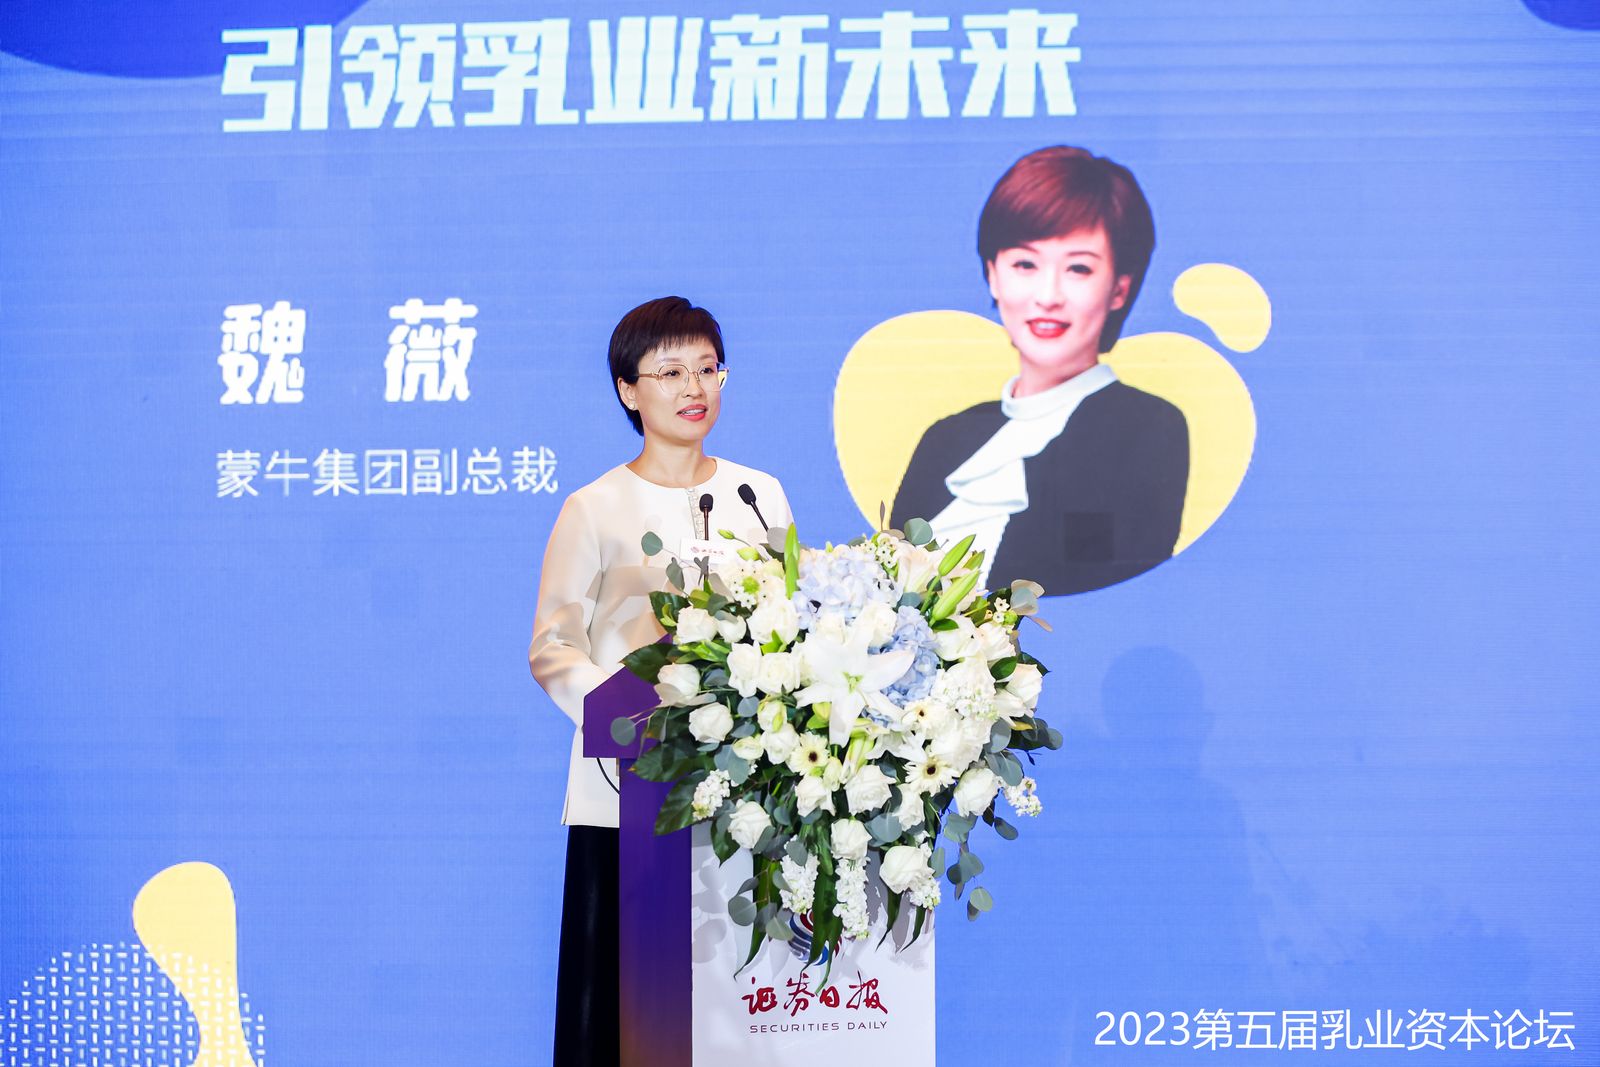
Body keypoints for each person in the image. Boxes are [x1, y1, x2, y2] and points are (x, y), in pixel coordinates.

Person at [527, 295, 793, 1067]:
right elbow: (553, 647)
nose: (694, 387)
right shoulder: (594, 508)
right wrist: (632, 716)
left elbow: (790, 628)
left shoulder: (759, 496)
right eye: (670, 371)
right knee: (627, 1020)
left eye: (708, 368)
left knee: (738, 1009)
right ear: (627, 389)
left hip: (745, 793)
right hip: (629, 794)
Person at [891, 145, 1189, 595]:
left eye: (1078, 269)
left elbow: (1106, 585)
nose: (1048, 296)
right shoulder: (945, 440)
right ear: (994, 275)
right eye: (1025, 264)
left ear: (1119, 289)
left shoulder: (1147, 428)